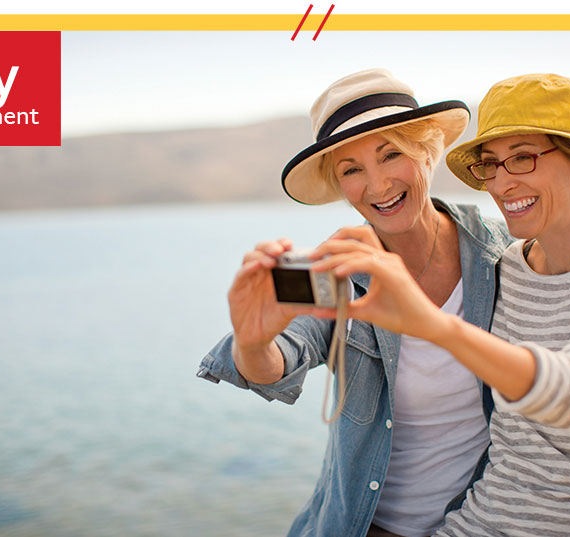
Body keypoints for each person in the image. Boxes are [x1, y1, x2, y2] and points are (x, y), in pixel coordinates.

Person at [310, 73, 570, 537]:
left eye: (523, 158)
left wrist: (433, 326)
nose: (502, 184)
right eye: (491, 165)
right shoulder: (507, 266)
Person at [197, 68, 511, 537]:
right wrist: (252, 339)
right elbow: (279, 359)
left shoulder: (503, 253)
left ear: (426, 152)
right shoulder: (340, 271)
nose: (378, 184)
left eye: (391, 155)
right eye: (351, 169)